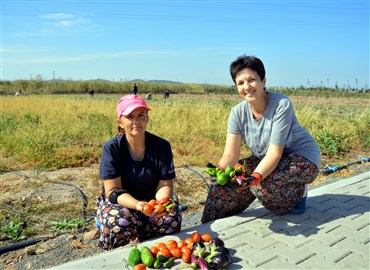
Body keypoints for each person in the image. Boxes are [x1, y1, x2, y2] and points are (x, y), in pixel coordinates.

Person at [201, 55, 321, 223]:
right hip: (269, 159)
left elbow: (274, 153)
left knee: (259, 184)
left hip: (301, 158)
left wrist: (255, 177)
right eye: (240, 83)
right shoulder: (237, 112)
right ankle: (207, 227)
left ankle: (298, 193)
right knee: (223, 187)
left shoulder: (281, 104)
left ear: (263, 80)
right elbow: (230, 155)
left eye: (252, 80)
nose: (247, 87)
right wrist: (220, 171)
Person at [96, 94, 182, 250]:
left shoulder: (161, 146)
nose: (136, 121)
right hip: (123, 203)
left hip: (151, 201)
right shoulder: (112, 148)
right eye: (130, 116)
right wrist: (138, 205)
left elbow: (165, 184)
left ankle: (149, 246)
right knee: (118, 224)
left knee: (171, 218)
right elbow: (113, 191)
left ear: (147, 118)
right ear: (120, 123)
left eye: (141, 115)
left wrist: (160, 205)